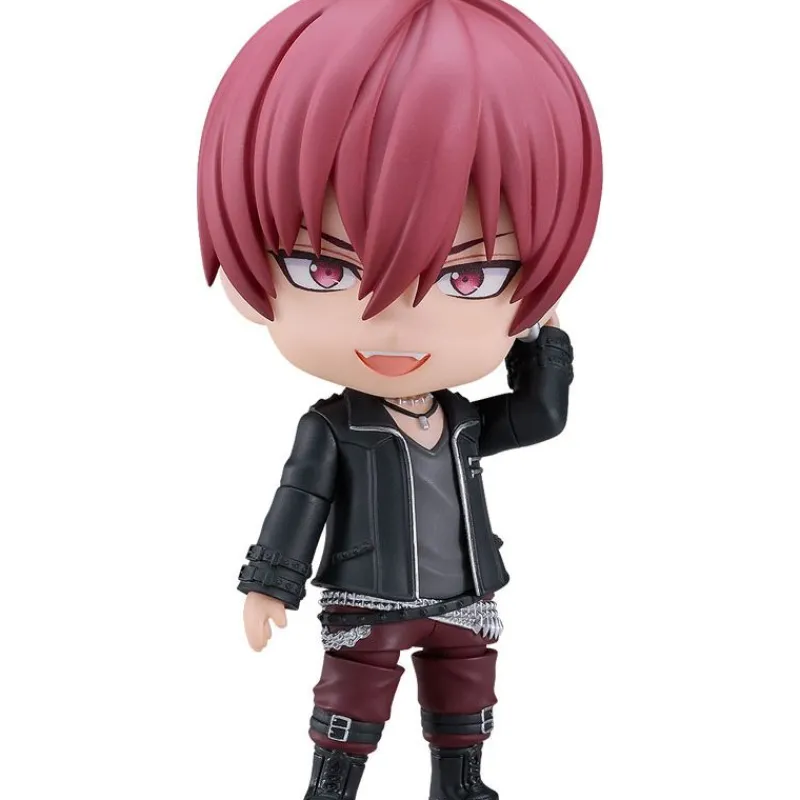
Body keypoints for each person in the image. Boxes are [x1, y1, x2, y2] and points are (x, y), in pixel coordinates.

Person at [197, 1, 602, 797]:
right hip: (369, 601)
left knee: (467, 699)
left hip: (463, 598)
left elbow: (538, 417)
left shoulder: (460, 422)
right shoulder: (334, 426)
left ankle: (461, 784)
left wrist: (543, 340)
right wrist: (270, 582)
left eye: (470, 276)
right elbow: (299, 501)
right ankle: (331, 788)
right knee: (350, 706)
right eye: (324, 269)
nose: (392, 320)